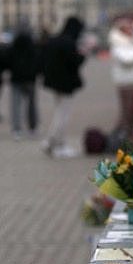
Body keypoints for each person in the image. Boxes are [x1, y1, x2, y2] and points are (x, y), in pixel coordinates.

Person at [40, 16, 85, 158]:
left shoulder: (55, 40)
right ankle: (55, 143)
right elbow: (75, 61)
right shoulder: (69, 42)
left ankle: (54, 143)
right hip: (66, 83)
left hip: (54, 82)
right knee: (62, 114)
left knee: (59, 111)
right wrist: (83, 55)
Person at [109, 20, 133, 141]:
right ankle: (123, 138)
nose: (131, 30)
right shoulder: (118, 42)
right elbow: (127, 59)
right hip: (127, 83)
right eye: (128, 28)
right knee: (128, 113)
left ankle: (130, 137)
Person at [6, 29, 39, 139]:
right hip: (30, 79)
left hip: (16, 78)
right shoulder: (33, 48)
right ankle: (32, 127)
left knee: (16, 105)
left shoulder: (12, 48)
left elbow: (7, 62)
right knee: (31, 105)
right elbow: (38, 62)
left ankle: (17, 129)